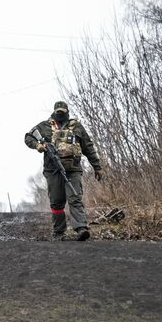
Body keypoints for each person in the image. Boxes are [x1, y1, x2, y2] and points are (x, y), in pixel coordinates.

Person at [24, 100, 104, 241]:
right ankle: (59, 232)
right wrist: (38, 146)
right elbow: (28, 137)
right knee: (56, 202)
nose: (60, 114)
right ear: (54, 112)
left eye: (63, 112)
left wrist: (97, 167)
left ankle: (81, 228)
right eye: (58, 112)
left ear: (67, 112)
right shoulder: (44, 126)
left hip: (73, 169)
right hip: (52, 169)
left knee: (75, 197)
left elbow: (88, 147)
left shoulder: (77, 127)